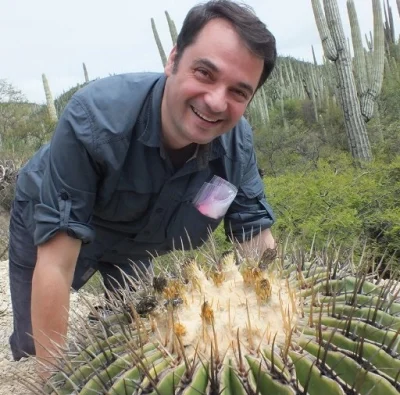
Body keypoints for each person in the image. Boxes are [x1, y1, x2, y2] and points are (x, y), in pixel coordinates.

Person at [8, 0, 277, 375]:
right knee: (36, 343)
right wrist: (52, 385)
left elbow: (253, 235)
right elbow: (54, 263)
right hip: (53, 219)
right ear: (173, 60)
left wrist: (268, 325)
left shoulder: (236, 145)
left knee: (138, 336)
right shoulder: (95, 119)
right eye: (204, 72)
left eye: (238, 91)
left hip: (137, 243)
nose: (216, 101)